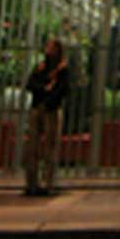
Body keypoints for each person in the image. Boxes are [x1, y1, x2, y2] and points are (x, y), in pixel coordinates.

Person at [23, 37, 70, 197]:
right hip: (43, 106)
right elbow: (30, 84)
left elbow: (62, 89)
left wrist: (45, 93)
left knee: (49, 146)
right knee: (34, 146)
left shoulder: (61, 69)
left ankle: (47, 182)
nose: (48, 50)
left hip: (49, 107)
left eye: (51, 47)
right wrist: (46, 89)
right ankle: (33, 183)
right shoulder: (42, 66)